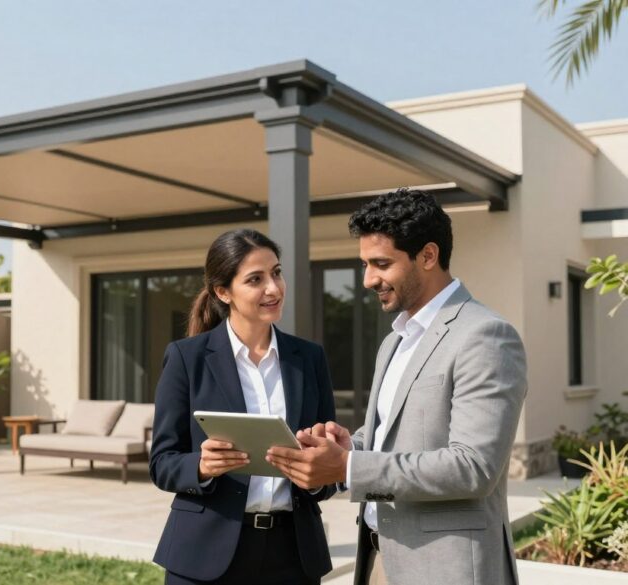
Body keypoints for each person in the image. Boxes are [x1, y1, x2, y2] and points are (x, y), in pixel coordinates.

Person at [268, 189, 528, 585]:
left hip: (446, 567)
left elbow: (474, 466)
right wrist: (349, 446)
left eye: (381, 264)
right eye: (365, 264)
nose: (369, 279)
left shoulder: (486, 335)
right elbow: (397, 434)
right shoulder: (396, 340)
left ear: (427, 255)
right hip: (378, 556)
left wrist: (349, 467)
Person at [149, 228, 336, 585]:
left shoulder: (309, 358)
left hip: (293, 555)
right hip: (205, 554)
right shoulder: (187, 358)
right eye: (256, 279)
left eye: (276, 272)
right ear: (223, 292)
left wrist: (315, 477)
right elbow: (162, 463)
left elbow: (326, 465)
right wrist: (201, 466)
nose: (274, 288)